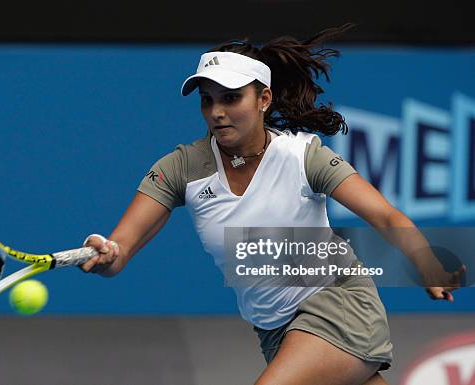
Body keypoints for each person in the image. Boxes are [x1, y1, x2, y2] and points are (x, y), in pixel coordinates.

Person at [79, 24, 464, 385]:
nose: (217, 112)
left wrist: (425, 260)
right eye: (207, 100)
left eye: (231, 98)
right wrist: (106, 255)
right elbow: (120, 251)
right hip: (274, 330)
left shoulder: (302, 157)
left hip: (338, 303)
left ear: (263, 98)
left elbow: (385, 214)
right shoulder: (181, 168)